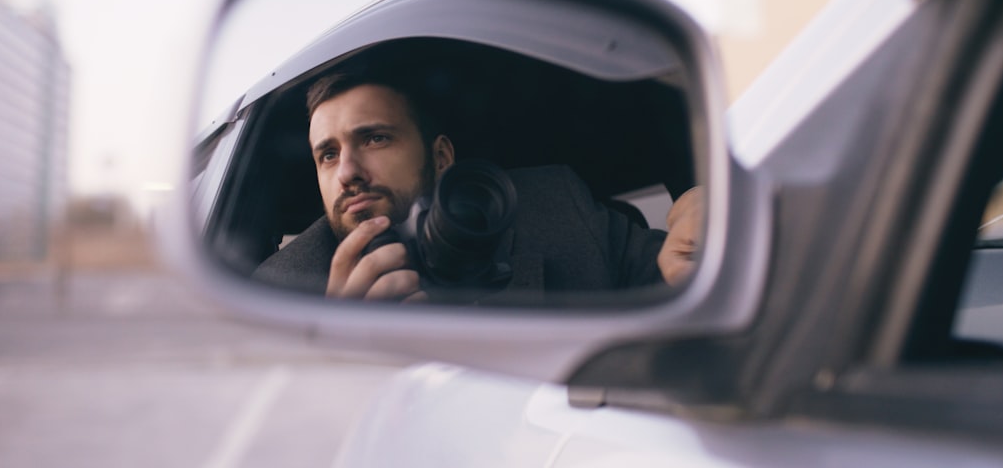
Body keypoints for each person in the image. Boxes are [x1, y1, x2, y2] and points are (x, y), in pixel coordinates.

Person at [252, 68, 701, 301]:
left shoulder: (554, 207)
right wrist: (342, 353)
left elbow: (675, 279)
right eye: (327, 155)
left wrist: (698, 224)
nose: (347, 171)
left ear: (442, 157)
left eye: (375, 138)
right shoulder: (282, 291)